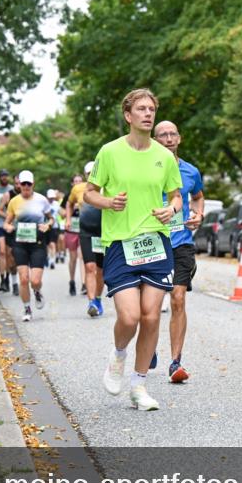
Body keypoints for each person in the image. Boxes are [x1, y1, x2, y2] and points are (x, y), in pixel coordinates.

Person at [83, 88, 183, 411]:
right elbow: (89, 193)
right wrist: (109, 202)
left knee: (152, 316)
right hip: (120, 245)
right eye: (141, 109)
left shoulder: (165, 157)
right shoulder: (109, 153)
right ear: (128, 116)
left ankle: (139, 386)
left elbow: (176, 196)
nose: (148, 114)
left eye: (151, 109)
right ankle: (119, 354)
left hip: (156, 242)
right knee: (130, 316)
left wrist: (172, 209)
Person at [154, 120, 205, 382]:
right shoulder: (146, 169)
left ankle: (175, 362)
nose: (168, 138)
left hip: (181, 241)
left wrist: (198, 213)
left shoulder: (190, 171)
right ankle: (148, 347)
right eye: (162, 135)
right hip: (151, 241)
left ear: (179, 138)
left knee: (178, 298)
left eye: (173, 133)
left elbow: (197, 196)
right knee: (148, 307)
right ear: (154, 140)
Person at [3, 170, 53, 322]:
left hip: (37, 243)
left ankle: (37, 292)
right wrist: (8, 227)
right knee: (24, 279)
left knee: (35, 281)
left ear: (33, 184)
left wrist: (47, 225)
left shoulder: (42, 200)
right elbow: (7, 222)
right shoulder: (14, 201)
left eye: (28, 183)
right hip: (20, 243)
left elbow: (52, 219)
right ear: (19, 185)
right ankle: (27, 308)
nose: (25, 186)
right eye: (23, 183)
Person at [77, 163, 106, 318]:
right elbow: (68, 205)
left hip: (103, 233)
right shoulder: (79, 189)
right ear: (85, 175)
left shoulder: (106, 188)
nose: (91, 175)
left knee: (100, 270)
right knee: (89, 266)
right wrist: (68, 218)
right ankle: (91, 302)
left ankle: (98, 298)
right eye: (88, 173)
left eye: (94, 172)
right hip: (86, 232)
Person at [65, 170, 89, 296]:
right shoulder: (68, 196)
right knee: (73, 257)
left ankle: (84, 283)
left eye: (80, 181)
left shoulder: (86, 193)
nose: (78, 183)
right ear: (72, 184)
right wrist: (68, 216)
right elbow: (62, 211)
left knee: (82, 255)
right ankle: (72, 281)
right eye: (76, 181)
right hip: (71, 229)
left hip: (83, 228)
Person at [0, 169, 16, 293]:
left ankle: (8, 277)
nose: (4, 178)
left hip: (11, 226)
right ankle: (3, 280)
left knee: (9, 254)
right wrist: (3, 214)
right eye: (2, 176)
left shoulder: (14, 189)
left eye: (6, 175)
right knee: (1, 252)